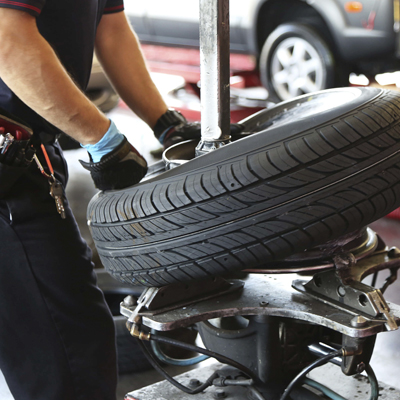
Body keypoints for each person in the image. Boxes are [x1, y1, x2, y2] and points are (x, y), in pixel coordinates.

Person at [0, 1, 199, 399]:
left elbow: (110, 27)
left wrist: (164, 122)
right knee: (69, 355)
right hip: (9, 164)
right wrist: (102, 138)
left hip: (33, 148)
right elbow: (7, 38)